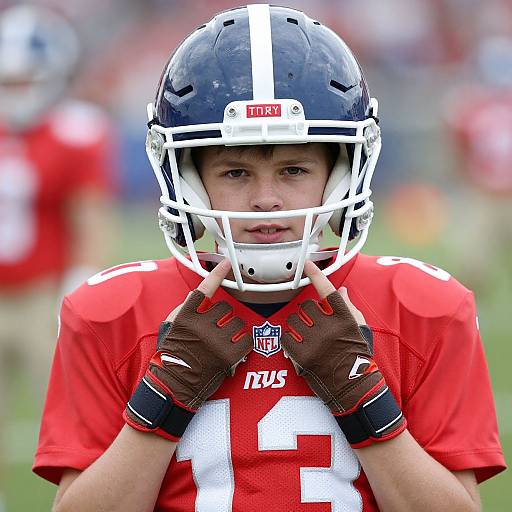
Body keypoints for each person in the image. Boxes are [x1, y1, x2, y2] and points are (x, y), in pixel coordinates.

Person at [34, 4, 505, 511]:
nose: (266, 200)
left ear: (342, 172)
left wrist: (364, 402)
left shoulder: (425, 308)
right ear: (189, 182)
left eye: (294, 170)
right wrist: (164, 399)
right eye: (235, 173)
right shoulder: (110, 314)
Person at [0, 4, 115, 508]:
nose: (16, 91)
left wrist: (78, 283)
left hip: (42, 296)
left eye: (26, 79)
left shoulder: (75, 132)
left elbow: (90, 217)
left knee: (76, 422)